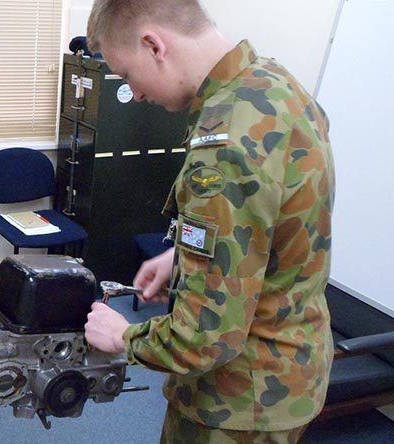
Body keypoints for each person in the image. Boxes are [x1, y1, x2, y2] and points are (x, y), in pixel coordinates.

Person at [83, 1, 335, 442]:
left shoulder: (223, 144)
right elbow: (269, 224)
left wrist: (125, 335)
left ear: (154, 45)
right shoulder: (274, 85)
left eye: (126, 75)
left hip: (238, 400)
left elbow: (205, 336)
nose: (136, 95)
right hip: (294, 366)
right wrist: (181, 254)